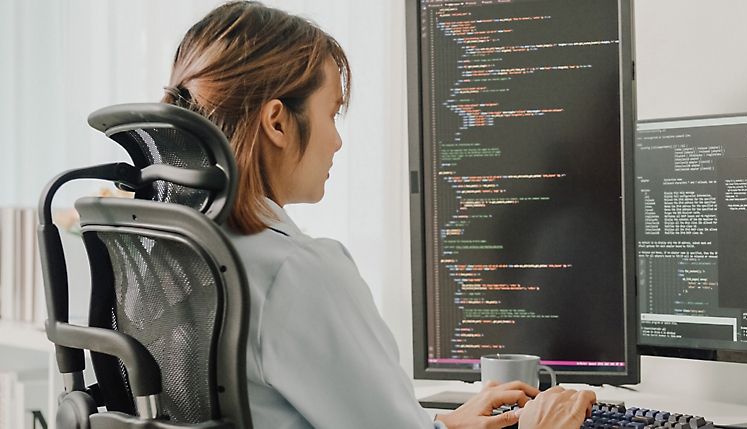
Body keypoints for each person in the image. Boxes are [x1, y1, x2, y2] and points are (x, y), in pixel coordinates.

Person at [160, 2, 597, 428]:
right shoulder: (297, 272)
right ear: (277, 122)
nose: (337, 141)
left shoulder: (167, 252)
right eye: (331, 114)